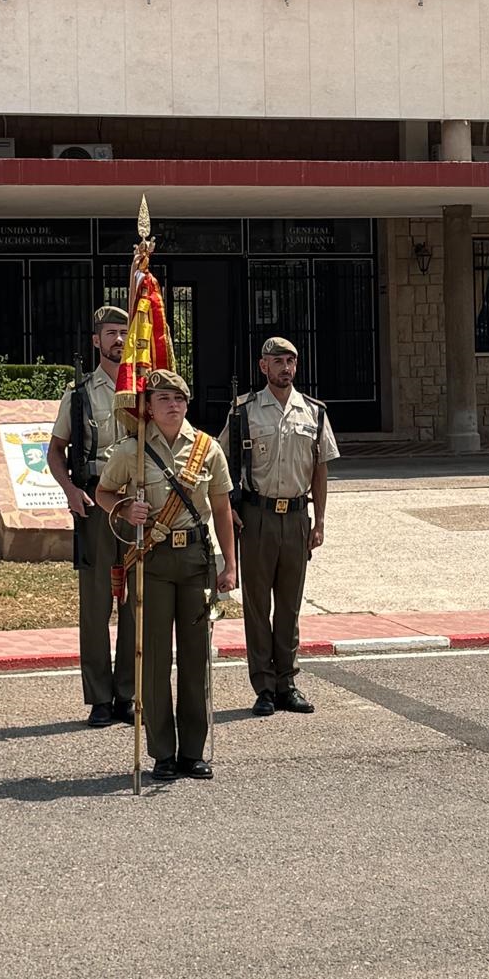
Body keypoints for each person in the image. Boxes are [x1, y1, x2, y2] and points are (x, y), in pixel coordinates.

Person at [94, 369, 237, 782]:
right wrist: (122, 509)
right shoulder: (131, 451)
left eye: (178, 398)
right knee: (154, 660)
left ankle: (192, 751)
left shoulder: (207, 449)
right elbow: (104, 493)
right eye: (162, 399)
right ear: (149, 407)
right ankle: (162, 752)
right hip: (150, 561)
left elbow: (223, 509)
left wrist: (230, 564)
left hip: (194, 559)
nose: (172, 405)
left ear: (187, 404)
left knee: (195, 659)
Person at [225, 336, 339, 718]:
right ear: (263, 367)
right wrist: (229, 508)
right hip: (256, 516)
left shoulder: (314, 412)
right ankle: (264, 686)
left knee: (289, 605)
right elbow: (221, 465)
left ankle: (287, 682)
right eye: (278, 361)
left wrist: (319, 521)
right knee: (257, 605)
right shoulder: (243, 411)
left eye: (291, 361)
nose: (285, 368)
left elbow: (320, 469)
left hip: (295, 516)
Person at [47, 304, 134, 728]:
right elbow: (55, 451)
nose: (118, 339)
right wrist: (70, 491)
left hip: (137, 506)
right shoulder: (78, 394)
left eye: (124, 332)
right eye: (111, 333)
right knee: (97, 604)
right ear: (96, 340)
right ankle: (100, 697)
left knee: (136, 600)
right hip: (96, 504)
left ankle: (128, 693)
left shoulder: (144, 388)